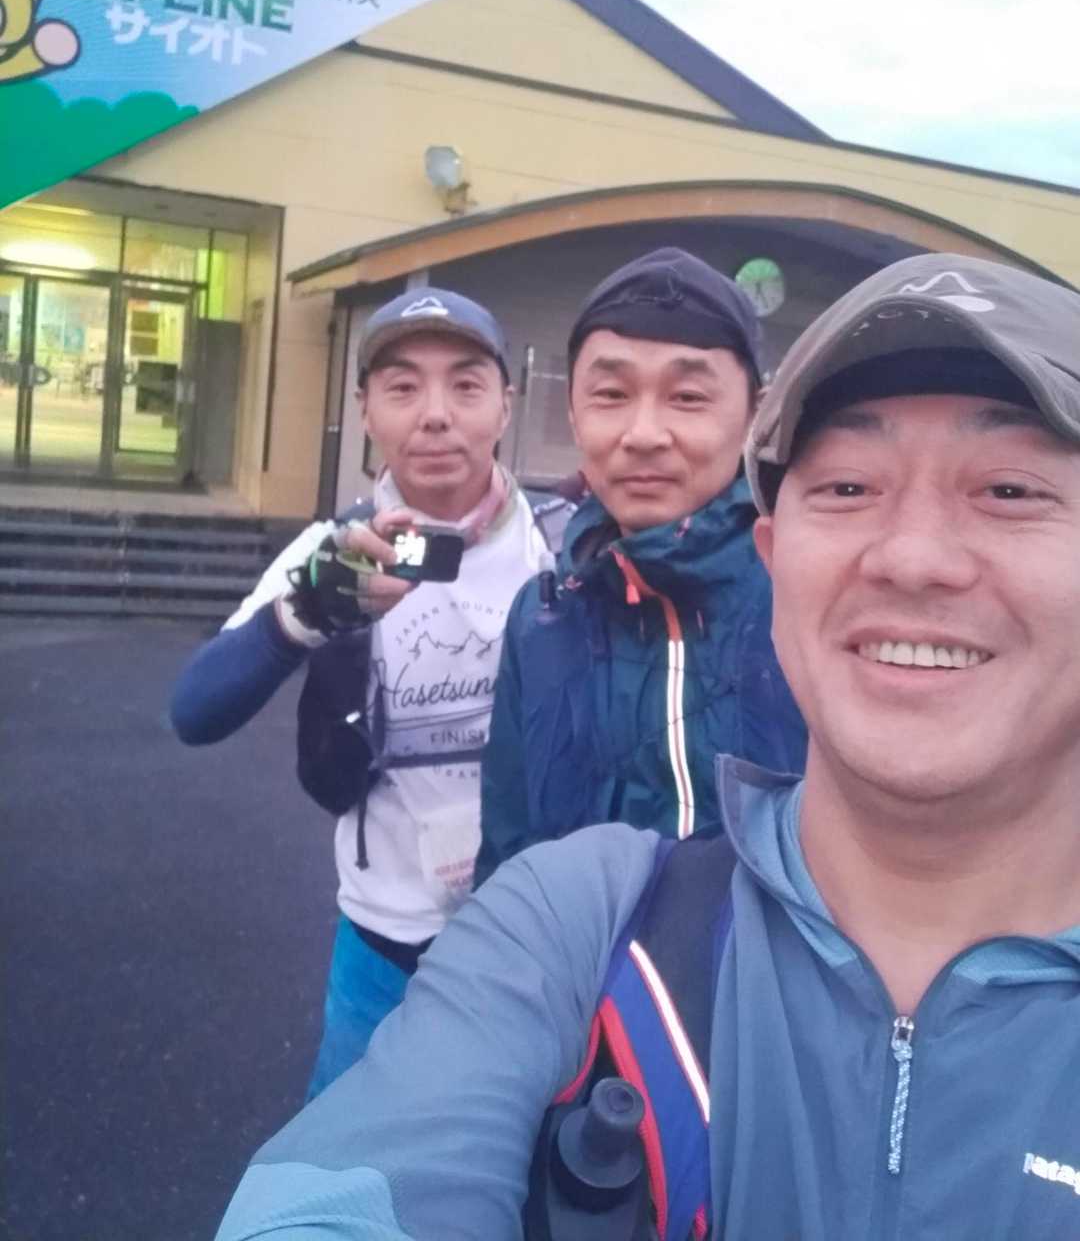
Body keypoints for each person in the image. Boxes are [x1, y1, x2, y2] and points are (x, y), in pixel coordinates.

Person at [215, 251, 1080, 1241]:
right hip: (515, 990)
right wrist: (306, 613)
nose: (913, 558)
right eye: (848, 486)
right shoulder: (545, 623)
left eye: (1010, 491)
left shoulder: (774, 607)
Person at [170, 287, 572, 1096]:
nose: (436, 415)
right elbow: (194, 711)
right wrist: (306, 613)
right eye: (402, 387)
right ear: (365, 411)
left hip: (541, 944)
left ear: (505, 403)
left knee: (529, 1164)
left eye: (465, 386)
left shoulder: (562, 545)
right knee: (343, 1163)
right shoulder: (335, 552)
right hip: (382, 950)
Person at [476, 248, 806, 883]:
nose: (645, 433)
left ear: (756, 415)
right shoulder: (541, 617)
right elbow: (506, 850)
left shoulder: (814, 599)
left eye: (688, 396)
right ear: (574, 413)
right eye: (611, 394)